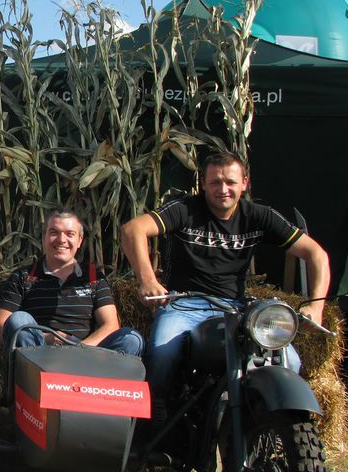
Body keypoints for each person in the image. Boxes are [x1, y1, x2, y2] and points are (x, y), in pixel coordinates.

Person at [121, 151, 330, 421]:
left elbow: (317, 255)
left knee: (290, 360)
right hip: (184, 304)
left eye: (230, 182)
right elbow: (132, 230)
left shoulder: (258, 216)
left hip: (236, 308)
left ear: (245, 183)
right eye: (215, 182)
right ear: (203, 184)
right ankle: (155, 416)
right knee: (163, 351)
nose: (223, 189)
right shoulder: (185, 209)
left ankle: (274, 426)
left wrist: (316, 305)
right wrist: (147, 280)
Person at [0, 208, 144, 357]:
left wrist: (79, 350)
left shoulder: (94, 277)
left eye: (70, 234)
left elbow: (111, 325)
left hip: (84, 355)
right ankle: (37, 379)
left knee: (131, 339)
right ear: (44, 237)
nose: (61, 240)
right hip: (39, 354)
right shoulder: (24, 276)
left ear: (79, 241)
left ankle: (97, 380)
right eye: (54, 233)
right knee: (19, 320)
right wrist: (48, 338)